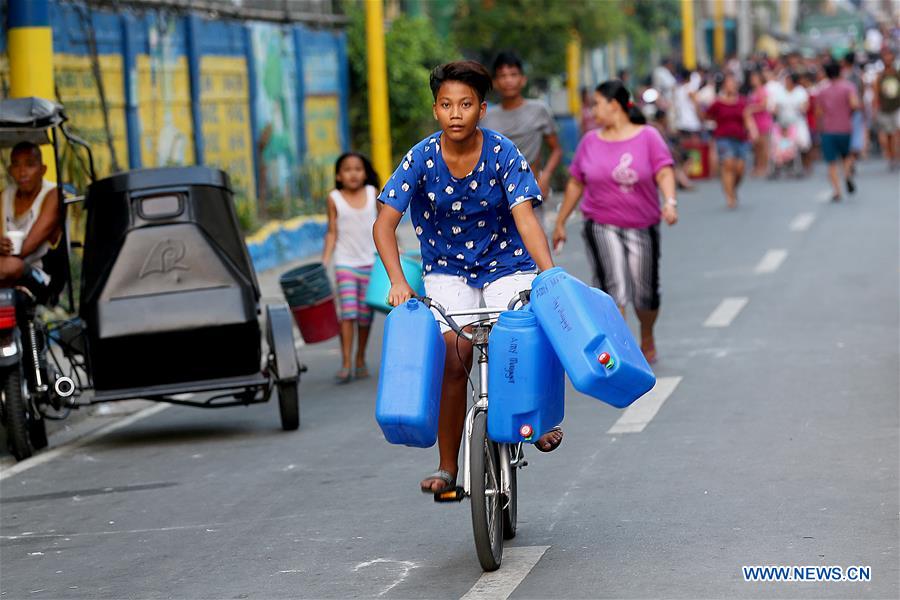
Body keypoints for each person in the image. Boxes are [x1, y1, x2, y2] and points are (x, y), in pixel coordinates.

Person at [372, 60, 563, 495]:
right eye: (446, 105)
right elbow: (384, 225)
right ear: (436, 110)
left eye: (466, 104)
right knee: (455, 355)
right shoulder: (420, 158)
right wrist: (399, 282)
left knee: (517, 336)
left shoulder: (502, 153)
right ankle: (447, 468)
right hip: (446, 269)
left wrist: (548, 273)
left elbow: (526, 218)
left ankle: (537, 416)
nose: (455, 113)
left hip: (507, 263)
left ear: (482, 109)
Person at [551, 80, 678, 365]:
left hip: (642, 225)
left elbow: (664, 172)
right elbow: (575, 183)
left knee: (645, 294)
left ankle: (646, 334)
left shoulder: (648, 137)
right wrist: (560, 222)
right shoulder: (590, 141)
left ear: (614, 104)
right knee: (614, 287)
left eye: (596, 103)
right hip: (600, 223)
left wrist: (669, 203)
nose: (592, 110)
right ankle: (623, 351)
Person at [481, 52, 562, 221]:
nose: (508, 80)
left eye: (513, 74)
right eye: (502, 76)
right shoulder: (485, 116)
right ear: (495, 82)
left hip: (529, 190)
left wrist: (545, 177)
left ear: (523, 79)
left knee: (535, 244)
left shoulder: (539, 110)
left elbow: (556, 150)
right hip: (494, 194)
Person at [321, 152, 380, 384]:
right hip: (344, 263)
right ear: (338, 175)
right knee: (348, 314)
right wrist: (324, 261)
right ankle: (346, 362)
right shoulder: (333, 198)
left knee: (365, 317)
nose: (353, 173)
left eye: (358, 168)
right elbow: (332, 231)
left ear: (364, 173)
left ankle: (360, 357)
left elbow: (383, 224)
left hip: (370, 263)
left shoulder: (372, 193)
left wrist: (396, 250)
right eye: (347, 169)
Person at [0, 141, 61, 290]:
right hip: (5, 267)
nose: (22, 173)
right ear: (10, 170)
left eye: (30, 165)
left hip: (40, 275)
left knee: (10, 266)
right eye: (16, 165)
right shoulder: (4, 196)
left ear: (43, 169)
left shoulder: (53, 195)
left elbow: (25, 248)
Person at [703, 73, 758, 208]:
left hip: (740, 138)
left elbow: (747, 118)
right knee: (728, 164)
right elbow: (707, 116)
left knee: (740, 168)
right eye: (729, 83)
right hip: (723, 138)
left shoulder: (742, 102)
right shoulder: (717, 103)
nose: (731, 86)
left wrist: (753, 131)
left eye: (733, 83)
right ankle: (729, 197)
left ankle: (732, 188)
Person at [817, 61, 860, 201]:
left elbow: (818, 112)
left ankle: (837, 191)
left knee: (831, 162)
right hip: (845, 127)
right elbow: (854, 104)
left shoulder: (822, 90)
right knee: (846, 156)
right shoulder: (848, 87)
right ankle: (847, 175)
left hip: (828, 129)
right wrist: (849, 113)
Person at [873, 49, 900, 171]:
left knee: (897, 133)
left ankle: (897, 155)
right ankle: (891, 157)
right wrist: (875, 109)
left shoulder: (897, 74)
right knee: (889, 134)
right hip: (885, 109)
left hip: (897, 108)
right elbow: (876, 93)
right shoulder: (880, 76)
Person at [747, 70, 773, 177]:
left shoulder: (763, 91)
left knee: (763, 146)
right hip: (754, 121)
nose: (753, 80)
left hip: (763, 120)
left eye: (755, 78)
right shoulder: (752, 91)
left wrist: (751, 109)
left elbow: (764, 105)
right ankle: (758, 166)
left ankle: (764, 167)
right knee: (756, 146)